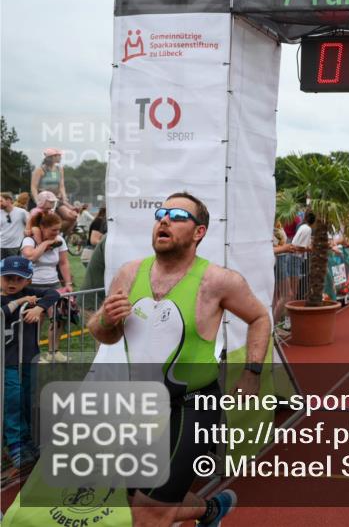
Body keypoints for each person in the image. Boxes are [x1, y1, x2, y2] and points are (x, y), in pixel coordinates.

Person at [87, 191, 270, 527]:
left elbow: (260, 318)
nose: (164, 219)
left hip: (191, 407)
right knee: (134, 498)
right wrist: (106, 320)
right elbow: (104, 333)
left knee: (148, 513)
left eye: (177, 215)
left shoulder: (218, 281)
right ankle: (211, 511)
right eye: (160, 213)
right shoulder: (130, 273)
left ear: (198, 232)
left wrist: (252, 372)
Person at [2, 257, 60, 476]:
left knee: (28, 397)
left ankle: (29, 442)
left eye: (19, 279)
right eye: (8, 278)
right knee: (13, 398)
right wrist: (21, 302)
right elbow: (4, 312)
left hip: (28, 357)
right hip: (6, 361)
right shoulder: (5, 298)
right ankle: (15, 443)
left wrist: (40, 308)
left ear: (28, 281)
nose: (12, 283)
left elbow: (54, 293)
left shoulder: (30, 292)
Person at [20, 211, 72, 362]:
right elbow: (30, 257)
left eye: (58, 230)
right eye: (54, 230)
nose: (57, 233)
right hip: (33, 285)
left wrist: (68, 283)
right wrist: (44, 244)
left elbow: (63, 263)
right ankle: (33, 355)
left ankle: (53, 351)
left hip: (54, 284)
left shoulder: (59, 240)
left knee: (59, 318)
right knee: (35, 320)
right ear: (42, 227)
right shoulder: (29, 240)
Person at [30, 148, 77, 234]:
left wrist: (64, 198)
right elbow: (34, 187)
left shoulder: (60, 169)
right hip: (45, 200)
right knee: (50, 220)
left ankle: (61, 236)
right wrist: (38, 201)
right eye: (58, 155)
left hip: (56, 199)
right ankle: (51, 234)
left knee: (72, 217)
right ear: (52, 157)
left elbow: (62, 186)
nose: (60, 157)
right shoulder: (40, 170)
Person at [1, 192, 30, 260]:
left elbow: (30, 223)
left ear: (8, 200)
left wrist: (27, 230)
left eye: (1, 201)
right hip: (1, 246)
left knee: (15, 268)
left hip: (17, 246)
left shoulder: (21, 212)